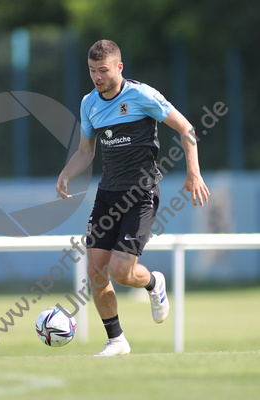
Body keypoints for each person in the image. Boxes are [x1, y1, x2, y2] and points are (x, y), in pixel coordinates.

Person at [56, 40, 209, 356]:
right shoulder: (89, 103)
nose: (97, 77)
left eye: (103, 70)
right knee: (95, 271)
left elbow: (186, 128)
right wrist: (67, 173)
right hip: (107, 195)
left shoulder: (141, 95)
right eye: (91, 71)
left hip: (140, 196)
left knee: (121, 272)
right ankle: (116, 340)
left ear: (118, 67)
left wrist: (193, 173)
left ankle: (153, 283)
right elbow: (86, 151)